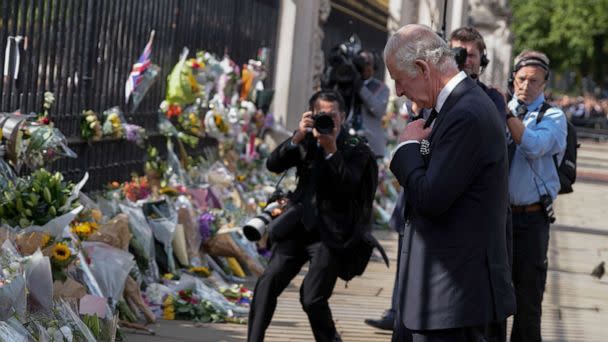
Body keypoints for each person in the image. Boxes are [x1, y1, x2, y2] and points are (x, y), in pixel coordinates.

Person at [383, 24, 515, 341]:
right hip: (435, 297)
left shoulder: (466, 112)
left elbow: (431, 198)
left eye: (399, 80)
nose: (399, 91)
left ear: (422, 68)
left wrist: (406, 150)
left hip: (453, 303)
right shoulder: (454, 106)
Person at [247, 90, 378, 342]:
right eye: (321, 116)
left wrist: (332, 152)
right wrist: (296, 138)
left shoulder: (355, 149)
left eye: (333, 116)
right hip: (298, 228)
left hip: (331, 236)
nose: (328, 121)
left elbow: (349, 185)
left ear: (342, 116)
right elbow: (273, 165)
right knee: (266, 284)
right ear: (311, 115)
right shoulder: (306, 141)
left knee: (312, 297)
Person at [505, 50, 567, 342]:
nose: (526, 86)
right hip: (499, 219)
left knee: (527, 304)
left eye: (534, 81)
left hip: (532, 220)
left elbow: (533, 145)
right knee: (491, 299)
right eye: (521, 79)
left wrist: (506, 116)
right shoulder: (501, 108)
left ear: (544, 84)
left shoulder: (553, 117)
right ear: (512, 78)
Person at [448, 26, 507, 119]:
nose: (466, 61)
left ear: (482, 59)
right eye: (459, 54)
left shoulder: (492, 98)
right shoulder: (436, 94)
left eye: (471, 55)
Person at [349, 50, 390, 158]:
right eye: (361, 62)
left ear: (374, 65)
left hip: (372, 147)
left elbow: (379, 110)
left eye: (367, 63)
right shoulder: (348, 83)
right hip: (348, 140)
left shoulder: (382, 88)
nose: (364, 66)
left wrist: (360, 87)